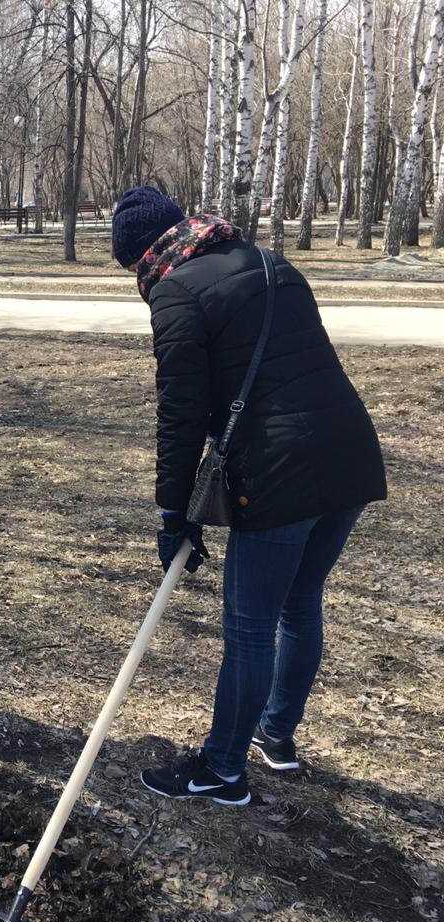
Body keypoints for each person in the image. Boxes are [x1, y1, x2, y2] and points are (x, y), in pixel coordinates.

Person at [109, 186, 387, 806]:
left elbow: (181, 414)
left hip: (280, 469)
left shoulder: (175, 291)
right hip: (348, 451)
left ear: (142, 256)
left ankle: (223, 768)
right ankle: (277, 737)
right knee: (298, 602)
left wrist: (172, 511)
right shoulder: (271, 262)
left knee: (251, 623)